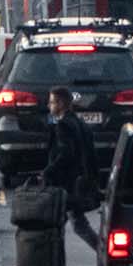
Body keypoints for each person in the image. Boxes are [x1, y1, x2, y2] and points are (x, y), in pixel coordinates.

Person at [41, 87, 99, 251]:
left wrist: (48, 171)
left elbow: (66, 154)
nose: (49, 106)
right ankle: (102, 251)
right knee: (77, 223)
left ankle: (52, 260)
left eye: (52, 102)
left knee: (58, 223)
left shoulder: (63, 125)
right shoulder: (79, 123)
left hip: (67, 183)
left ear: (60, 103)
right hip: (78, 182)